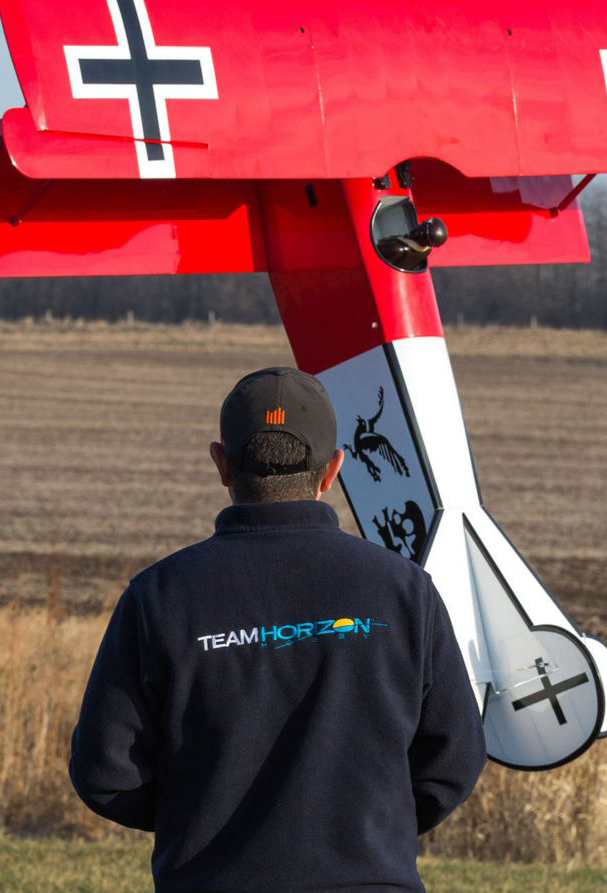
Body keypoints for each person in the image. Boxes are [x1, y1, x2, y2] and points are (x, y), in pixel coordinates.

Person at [70, 366, 486, 893]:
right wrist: (370, 830)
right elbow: (455, 758)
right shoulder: (404, 591)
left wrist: (204, 819)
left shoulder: (159, 597)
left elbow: (105, 772)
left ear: (221, 463)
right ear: (333, 470)